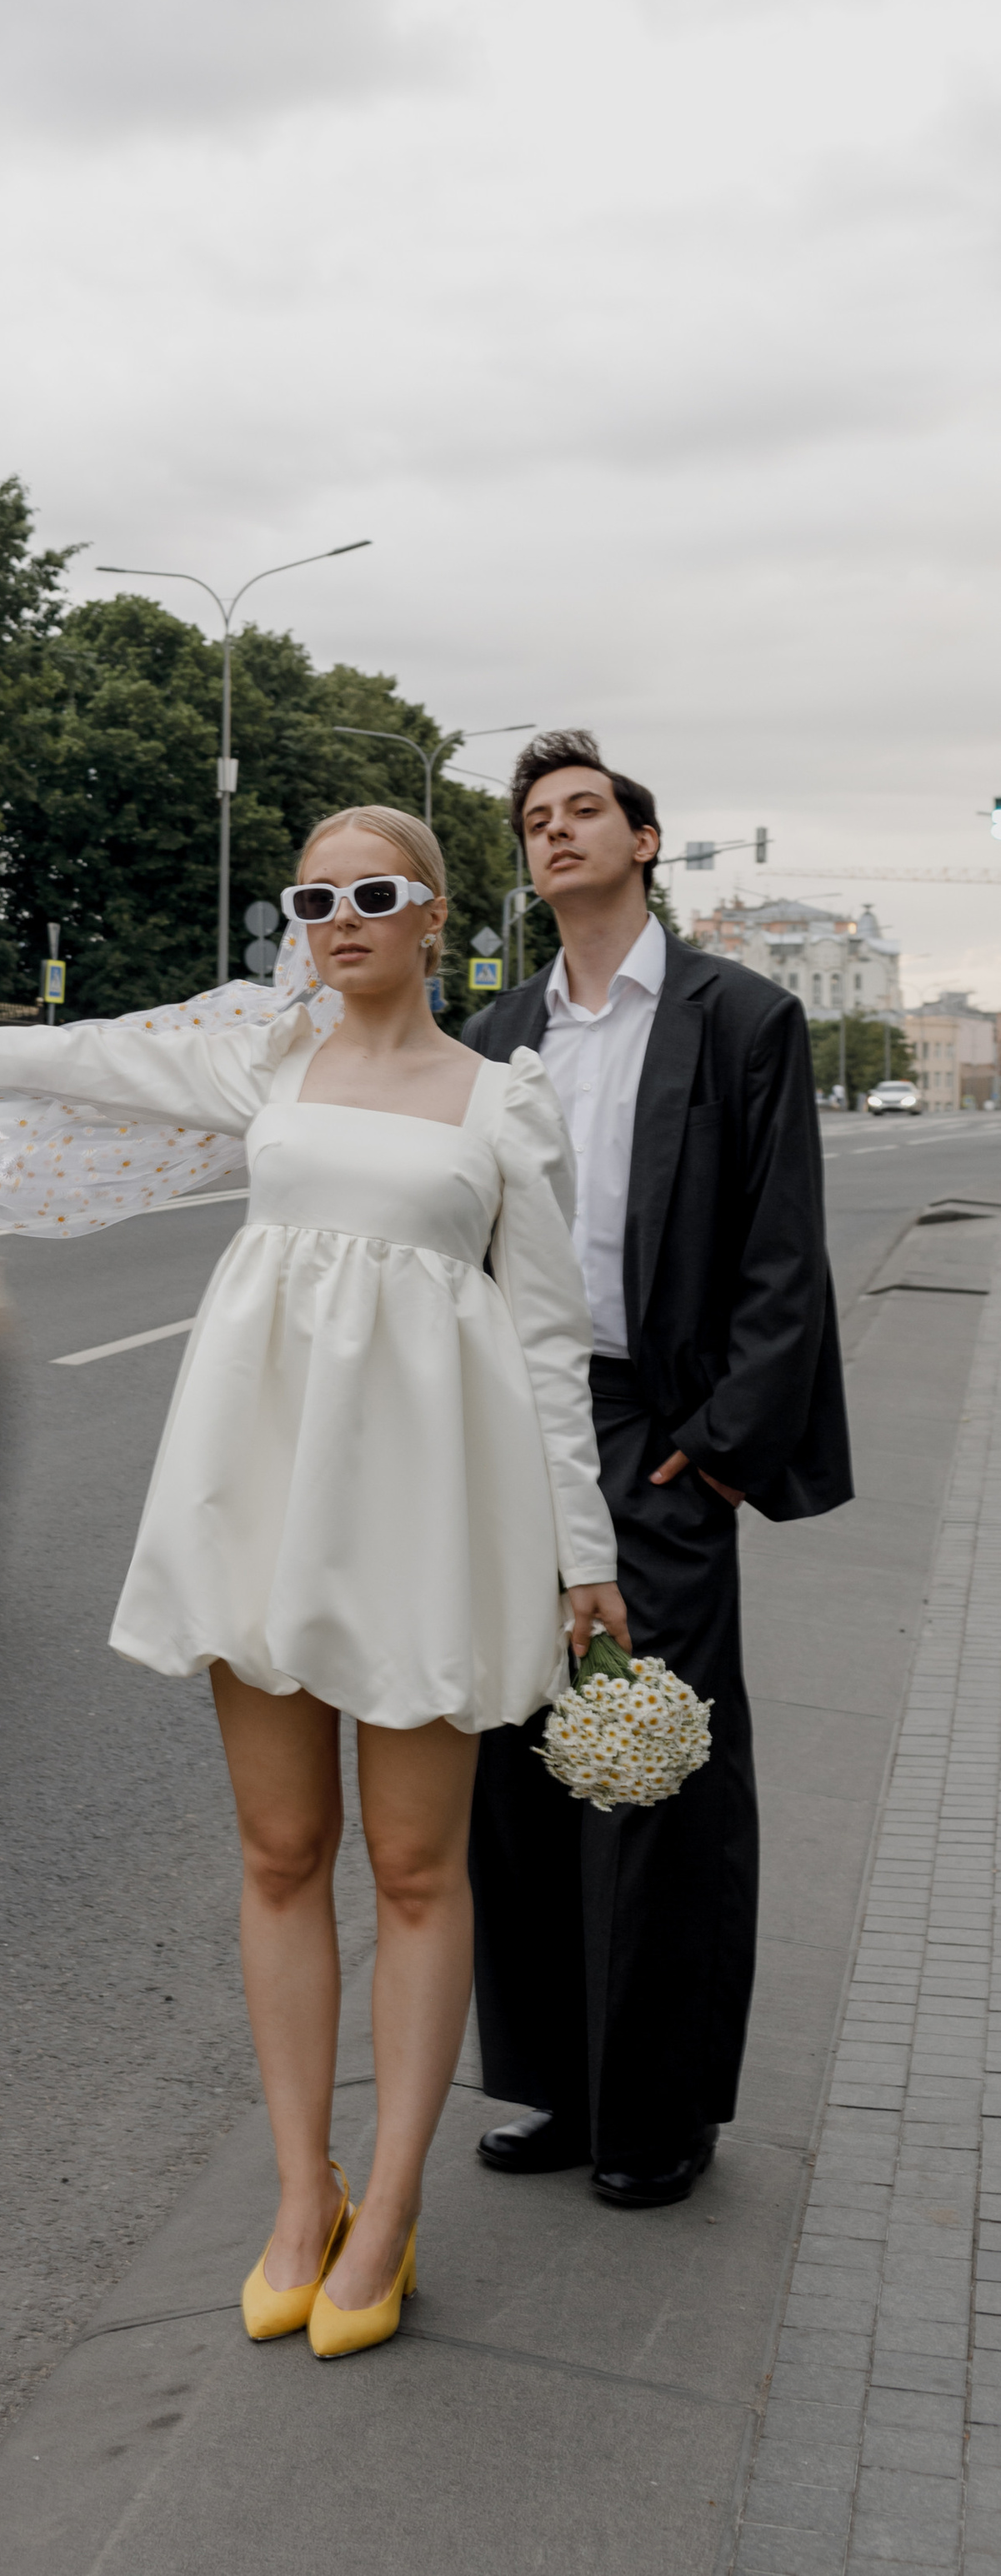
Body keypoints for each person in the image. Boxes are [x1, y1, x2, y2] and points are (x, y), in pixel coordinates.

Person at [0, 805, 624, 2358]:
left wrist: (581, 1562)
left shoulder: (505, 1105)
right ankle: (297, 2192)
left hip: (426, 1515)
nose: (339, 917)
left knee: (413, 1870)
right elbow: (86, 1055)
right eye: (312, 894)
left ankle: (388, 2211)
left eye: (373, 893)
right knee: (278, 1849)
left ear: (438, 918)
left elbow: (545, 1347)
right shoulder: (261, 1056)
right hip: (264, 1490)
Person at [462, 731, 851, 2209]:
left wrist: (722, 1453)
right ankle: (558, 2087)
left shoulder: (739, 1017)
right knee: (523, 1761)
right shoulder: (499, 1032)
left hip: (662, 1430)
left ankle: (663, 2106)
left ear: (644, 841)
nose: (556, 834)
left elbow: (780, 1252)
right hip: (522, 1417)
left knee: (660, 1763)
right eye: (536, 822)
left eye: (583, 813)